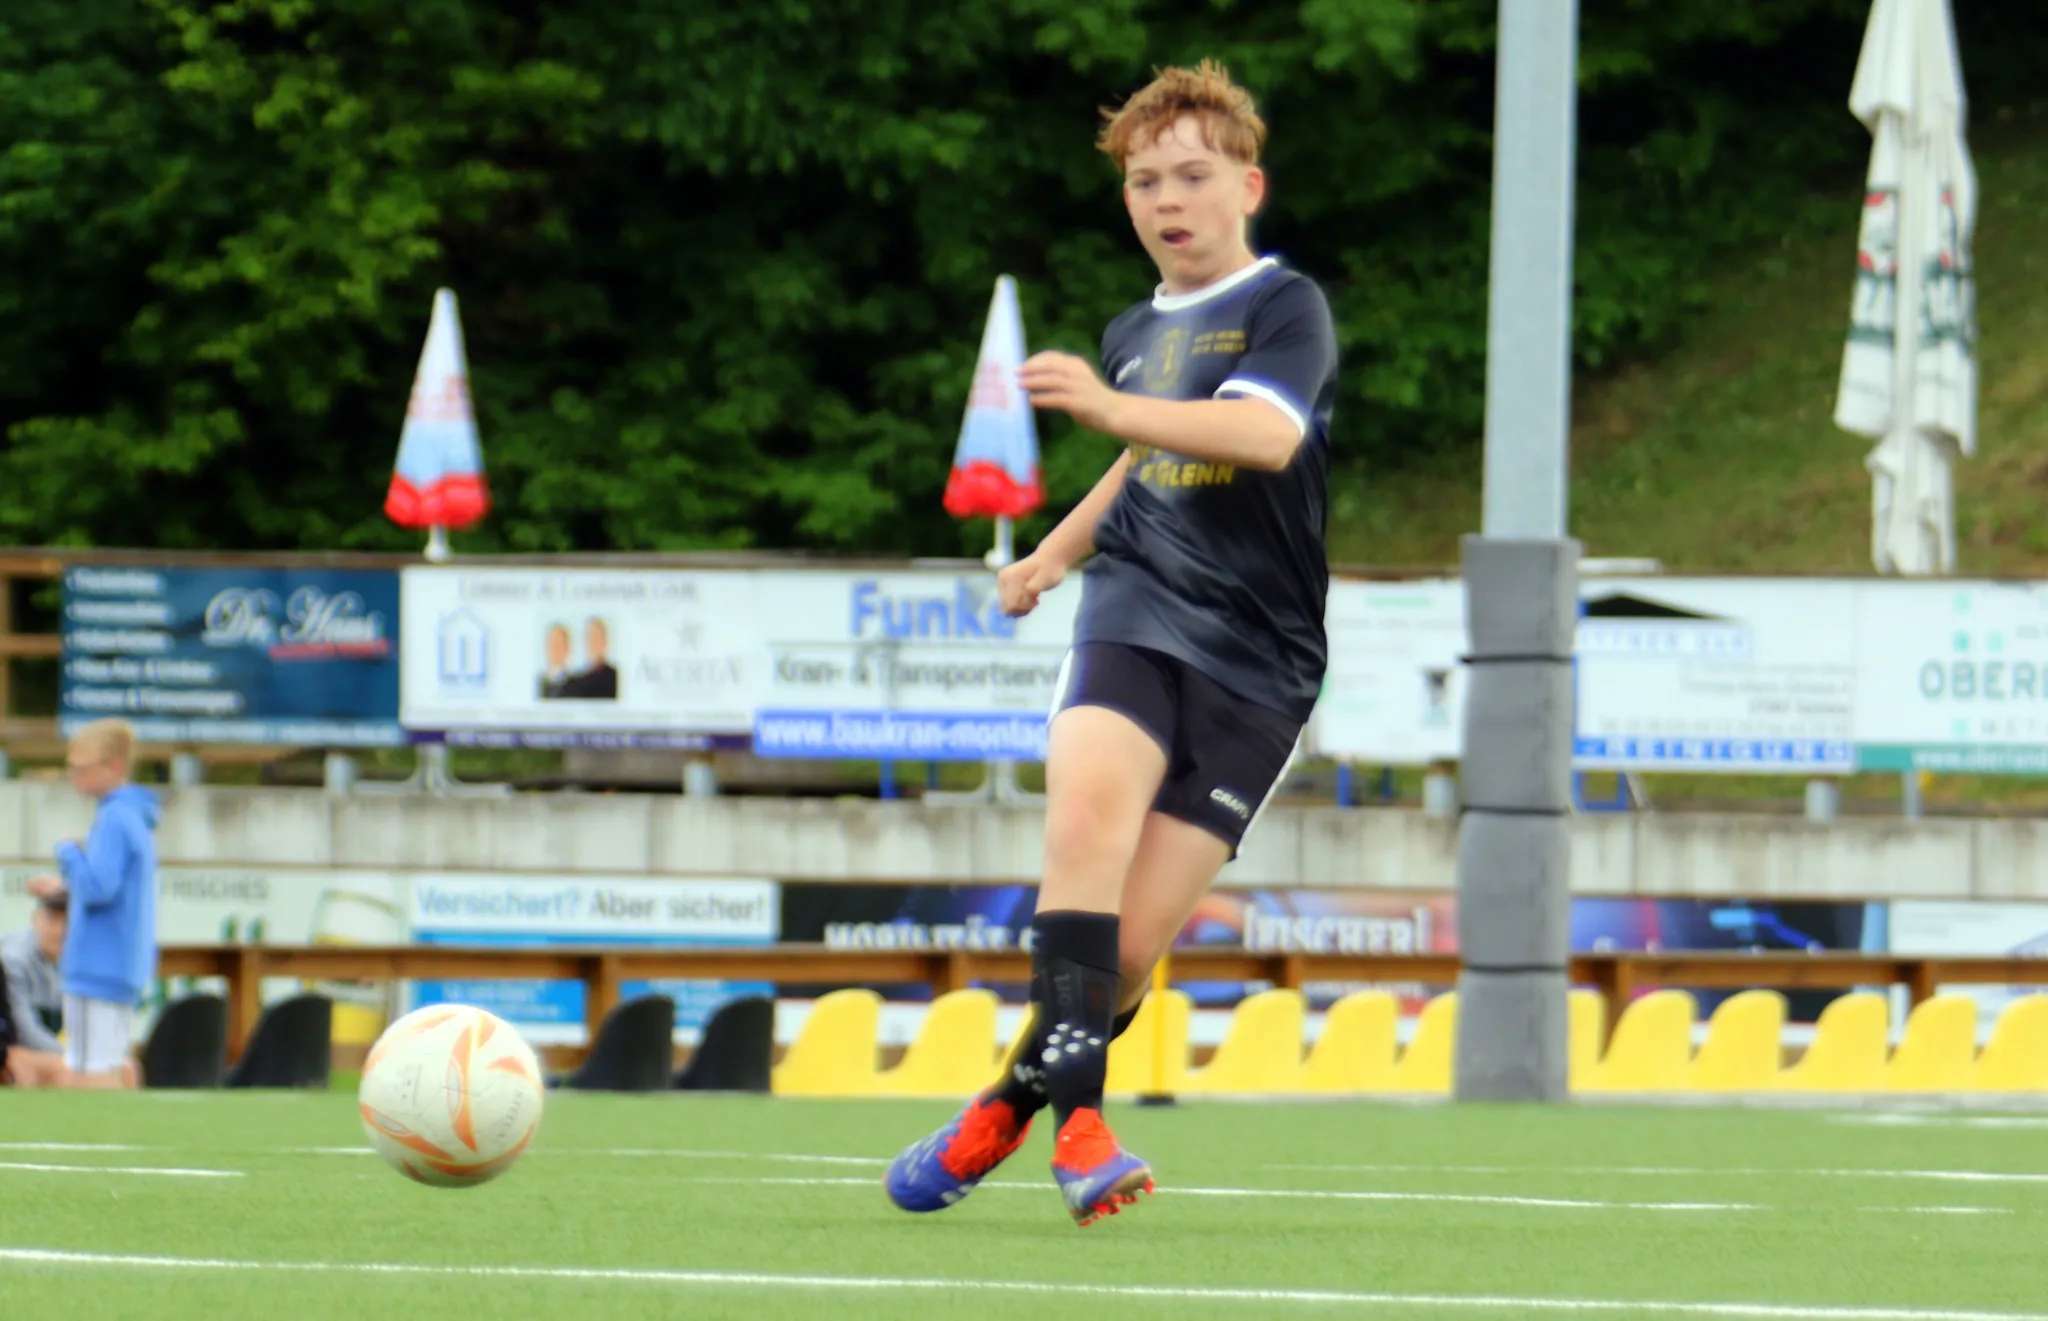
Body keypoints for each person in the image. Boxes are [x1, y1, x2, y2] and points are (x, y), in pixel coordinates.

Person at [884, 60, 1339, 1227]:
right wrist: (1052, 553)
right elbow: (1139, 462)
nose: (1166, 199)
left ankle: (1004, 1102)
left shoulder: (1285, 307)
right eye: (1144, 181)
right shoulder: (1132, 333)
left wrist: (1106, 408)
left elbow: (1260, 438)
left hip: (1262, 666)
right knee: (1082, 830)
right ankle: (1080, 1131)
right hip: (1132, 615)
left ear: (1247, 186)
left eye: (1190, 175)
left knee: (1125, 954)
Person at [50, 718, 161, 1089]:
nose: (73, 778)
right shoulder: (135, 816)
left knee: (86, 1071)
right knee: (112, 1065)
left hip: (96, 966)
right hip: (121, 965)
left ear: (112, 766)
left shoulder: (113, 817)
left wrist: (68, 853)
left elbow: (97, 889)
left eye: (80, 769)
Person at [0, 878, 70, 1087]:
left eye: (68, 921)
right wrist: (75, 1057)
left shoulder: (80, 959)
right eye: (52, 919)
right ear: (36, 919)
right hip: (14, 1049)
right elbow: (25, 1031)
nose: (60, 930)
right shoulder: (14, 958)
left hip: (43, 1049)